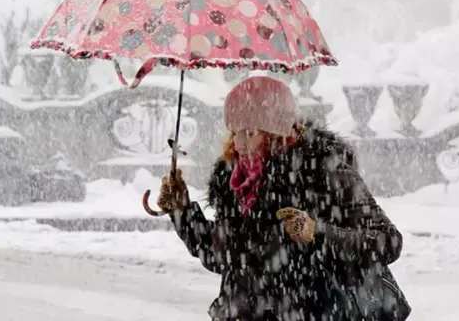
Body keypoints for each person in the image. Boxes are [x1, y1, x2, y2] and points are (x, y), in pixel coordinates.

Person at [156, 76, 411, 321]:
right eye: (235, 132)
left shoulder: (324, 171)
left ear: (276, 132)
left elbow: (388, 241)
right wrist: (182, 211)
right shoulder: (234, 181)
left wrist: (317, 233)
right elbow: (223, 257)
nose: (239, 144)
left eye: (251, 132)